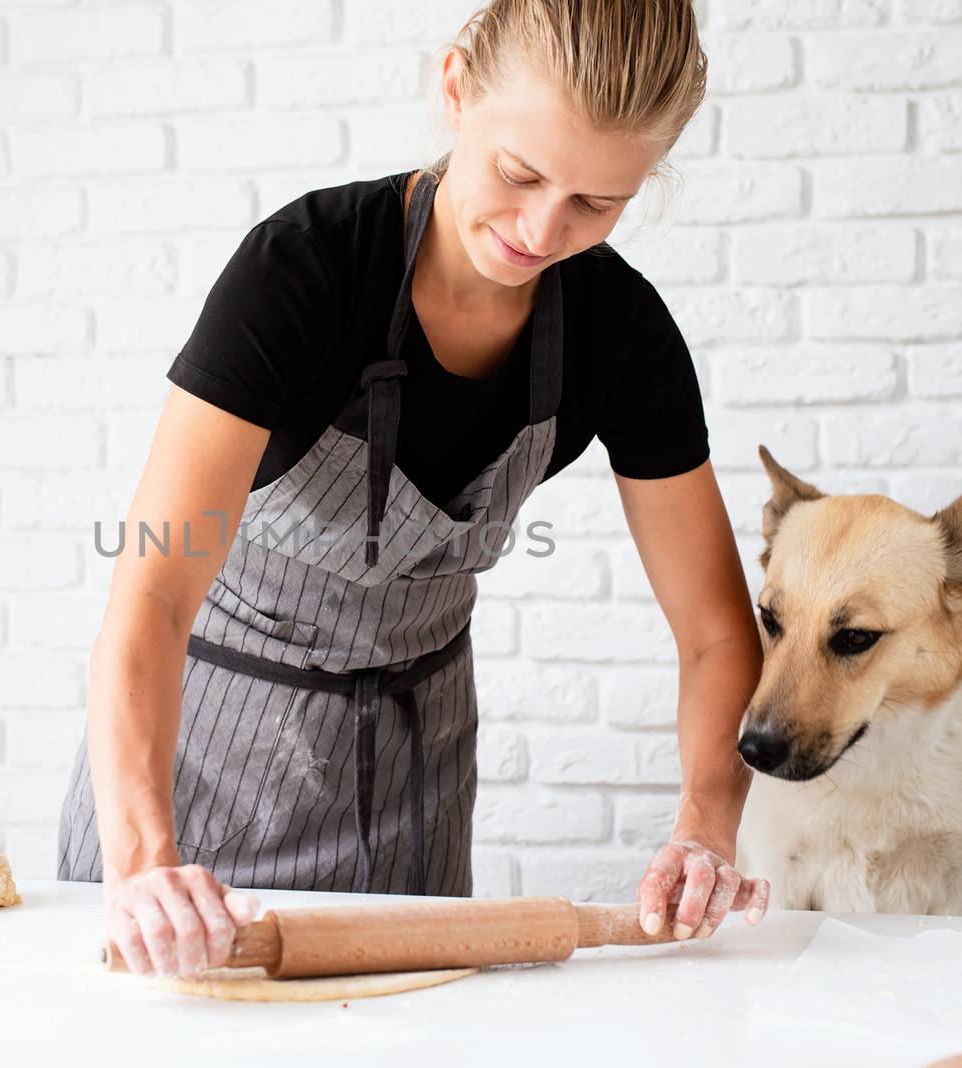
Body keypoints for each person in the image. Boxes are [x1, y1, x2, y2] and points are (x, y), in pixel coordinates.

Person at [57, 0, 770, 978]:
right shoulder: (301, 273)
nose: (538, 229)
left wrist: (705, 826)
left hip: (413, 777)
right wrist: (144, 863)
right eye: (518, 173)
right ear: (455, 89)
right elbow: (152, 592)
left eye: (595, 204)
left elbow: (715, 633)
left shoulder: (619, 333)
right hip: (198, 778)